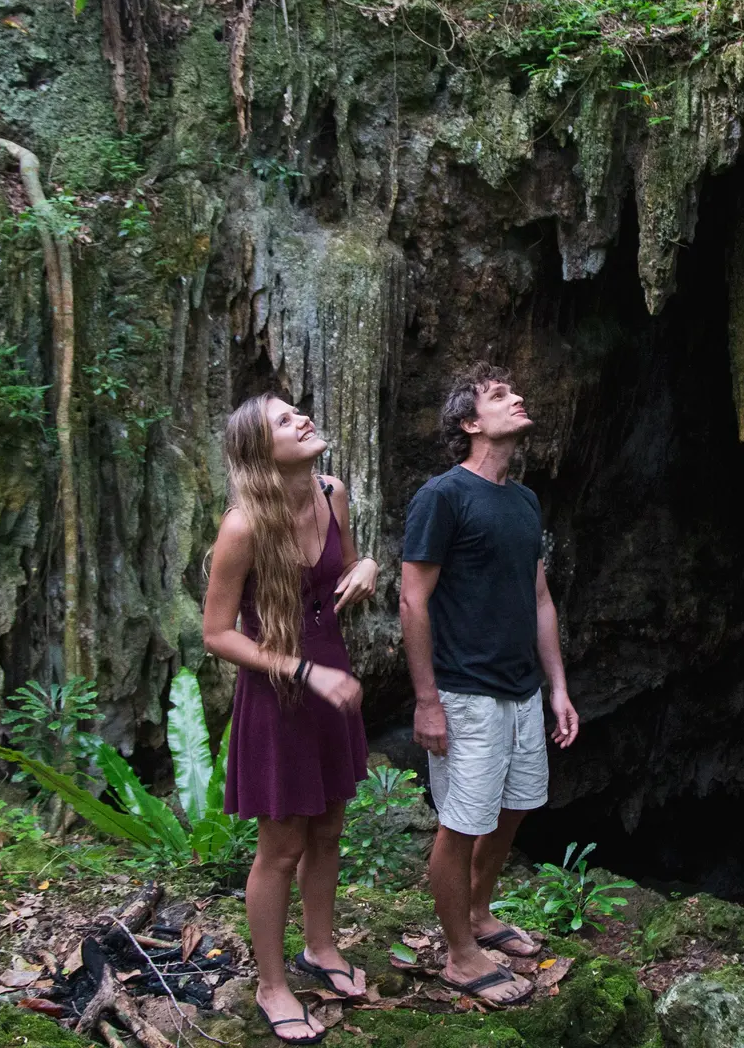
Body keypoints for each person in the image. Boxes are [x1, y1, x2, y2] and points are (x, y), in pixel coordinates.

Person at [400, 363, 581, 1008]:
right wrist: (427, 701)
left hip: (521, 690)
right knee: (462, 823)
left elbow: (539, 598)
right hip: (464, 691)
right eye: (500, 396)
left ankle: (479, 913)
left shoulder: (525, 501)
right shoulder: (442, 497)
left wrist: (557, 687)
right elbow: (412, 600)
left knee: (515, 806)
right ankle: (458, 953)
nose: (518, 398)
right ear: (471, 423)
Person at [203, 394, 380, 1045]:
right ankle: (272, 984)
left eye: (297, 411)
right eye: (284, 420)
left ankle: (322, 947)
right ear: (260, 451)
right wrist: (303, 672)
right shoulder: (244, 526)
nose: (302, 417)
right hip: (281, 694)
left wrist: (366, 566)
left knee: (329, 827)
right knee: (281, 849)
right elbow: (217, 633)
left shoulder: (332, 492)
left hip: (331, 681)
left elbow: (343, 580)